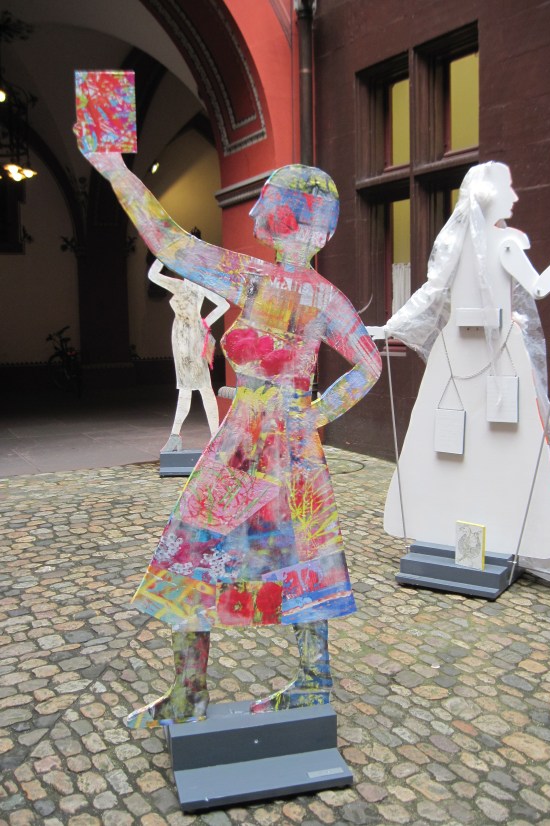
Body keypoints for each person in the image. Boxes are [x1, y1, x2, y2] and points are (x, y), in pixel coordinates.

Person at [75, 135, 382, 727]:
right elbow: (368, 365)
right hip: (294, 449)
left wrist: (116, 170)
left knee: (193, 549)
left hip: (248, 441)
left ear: (283, 218)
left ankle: (192, 692)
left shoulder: (256, 279)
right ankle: (309, 684)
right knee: (302, 558)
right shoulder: (326, 298)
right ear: (323, 232)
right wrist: (313, 415)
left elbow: (171, 242)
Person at [370, 161, 550, 592]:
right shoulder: (494, 243)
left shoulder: (478, 243)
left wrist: (391, 326)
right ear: (489, 196)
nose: (516, 197)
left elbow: (435, 293)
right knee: (457, 443)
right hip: (478, 354)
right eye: (510, 188)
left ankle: (495, 531)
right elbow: (533, 287)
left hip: (485, 353)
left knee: (497, 445)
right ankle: (452, 528)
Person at [147, 256, 229, 452]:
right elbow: (152, 275)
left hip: (193, 338)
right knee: (186, 387)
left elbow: (223, 304)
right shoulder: (179, 285)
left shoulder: (199, 286)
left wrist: (205, 322)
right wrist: (161, 256)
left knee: (203, 387)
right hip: (180, 340)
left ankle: (210, 437)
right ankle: (178, 436)